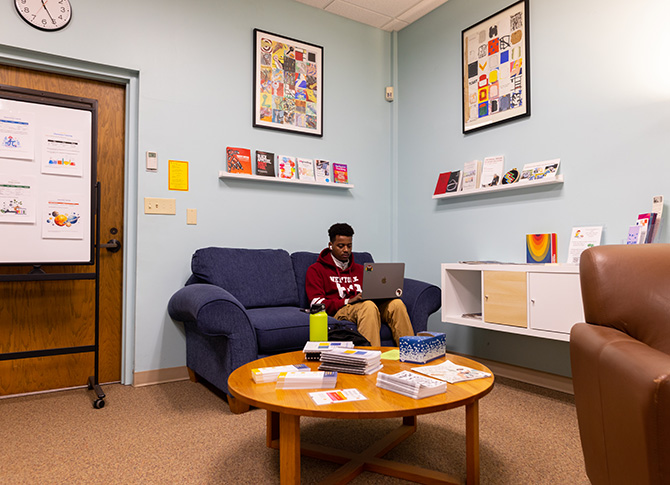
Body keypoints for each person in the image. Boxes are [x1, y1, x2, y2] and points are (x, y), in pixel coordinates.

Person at [305, 222, 414, 347]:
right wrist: (349, 301)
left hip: (365, 306)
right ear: (331, 245)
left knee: (397, 304)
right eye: (341, 246)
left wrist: (384, 294)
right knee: (368, 306)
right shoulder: (316, 269)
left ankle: (411, 355)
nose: (346, 250)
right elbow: (316, 304)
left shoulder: (361, 269)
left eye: (349, 246)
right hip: (340, 310)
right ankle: (370, 359)